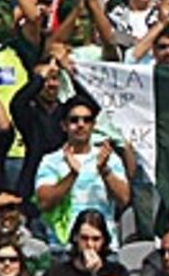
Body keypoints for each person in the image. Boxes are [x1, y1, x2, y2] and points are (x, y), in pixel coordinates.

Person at [33, 95, 129, 248]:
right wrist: (72, 175)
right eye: (74, 120)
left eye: (86, 120)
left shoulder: (109, 158)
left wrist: (105, 171)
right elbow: (44, 203)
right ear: (64, 125)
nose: (80, 124)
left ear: (93, 125)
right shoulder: (51, 160)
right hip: (63, 247)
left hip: (104, 245)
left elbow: (124, 199)